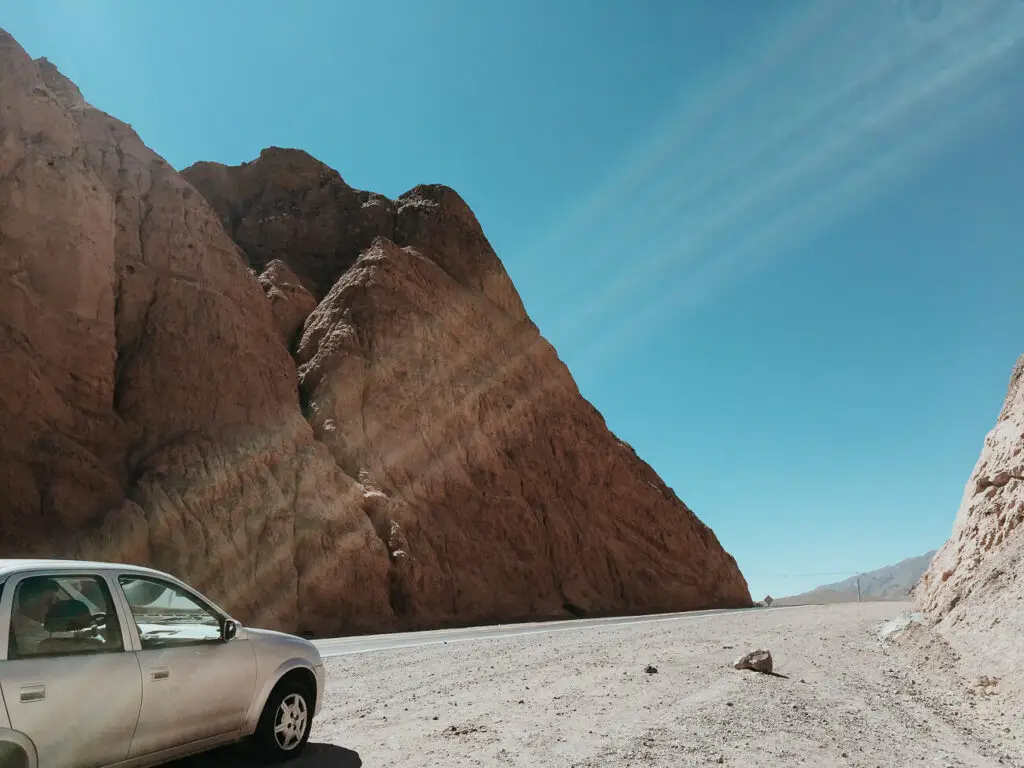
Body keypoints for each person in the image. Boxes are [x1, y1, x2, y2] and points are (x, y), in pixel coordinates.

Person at [10, 577, 61, 656]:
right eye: (49, 602)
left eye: (56, 602)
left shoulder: (35, 624)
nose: (54, 607)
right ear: (29, 600)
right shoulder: (22, 634)